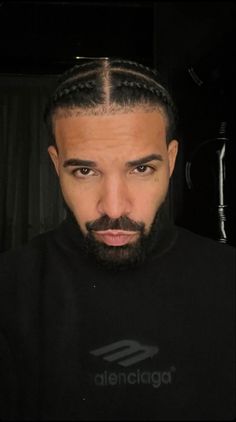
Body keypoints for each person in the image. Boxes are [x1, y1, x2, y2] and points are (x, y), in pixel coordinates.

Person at [0, 58, 235, 421]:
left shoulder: (228, 279)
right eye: (84, 170)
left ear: (171, 162)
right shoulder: (10, 288)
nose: (113, 207)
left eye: (141, 168)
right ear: (55, 164)